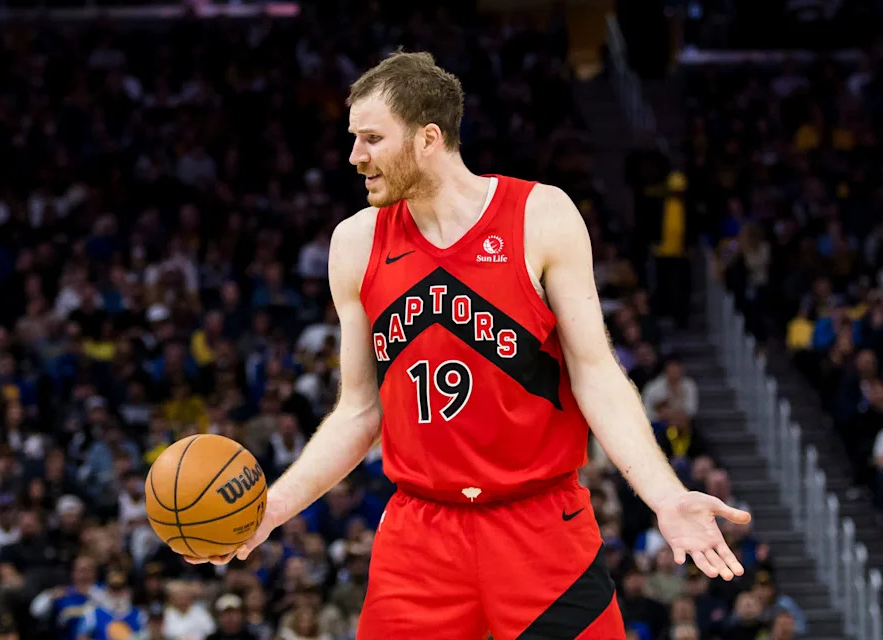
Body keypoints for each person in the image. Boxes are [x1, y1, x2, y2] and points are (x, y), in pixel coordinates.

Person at [184, 50, 751, 638]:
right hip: (420, 534)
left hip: (539, 524)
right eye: (354, 139)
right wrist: (273, 509)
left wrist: (665, 496)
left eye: (372, 139)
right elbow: (358, 410)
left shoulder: (540, 215)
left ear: (428, 138)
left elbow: (596, 373)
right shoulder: (355, 243)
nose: (355, 156)